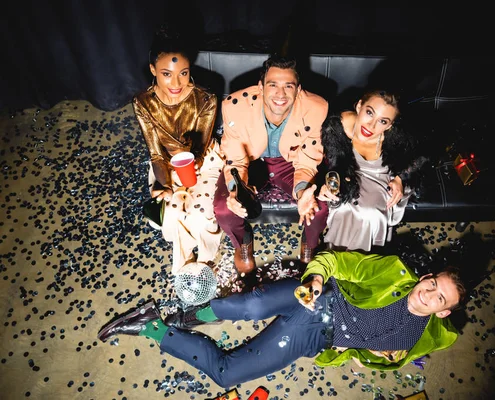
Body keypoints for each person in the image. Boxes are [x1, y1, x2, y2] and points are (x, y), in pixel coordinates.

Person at [97, 250, 467, 388]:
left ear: (444, 311)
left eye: (439, 297)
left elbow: (381, 359)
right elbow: (336, 261)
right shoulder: (393, 272)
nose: (428, 293)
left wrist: (352, 350)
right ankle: (191, 315)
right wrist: (317, 276)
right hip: (318, 295)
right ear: (424, 277)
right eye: (432, 283)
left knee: (227, 375)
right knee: (250, 306)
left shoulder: (423, 337)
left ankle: (151, 324)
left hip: (313, 335)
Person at [213, 55, 329, 274]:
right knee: (224, 209)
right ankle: (243, 244)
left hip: (291, 162)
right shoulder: (234, 106)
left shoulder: (317, 108)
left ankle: (310, 246)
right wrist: (238, 191)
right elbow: (236, 160)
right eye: (273, 85)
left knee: (319, 208)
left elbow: (307, 159)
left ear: (298, 89)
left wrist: (303, 190)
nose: (280, 94)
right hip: (251, 162)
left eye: (289, 86)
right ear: (261, 87)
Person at [132, 25, 224, 275]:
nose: (177, 83)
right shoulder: (143, 103)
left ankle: (206, 262)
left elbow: (202, 148)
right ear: (153, 70)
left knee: (197, 212)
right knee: (172, 210)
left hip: (203, 159)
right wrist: (164, 185)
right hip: (166, 164)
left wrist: (192, 169)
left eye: (183, 73)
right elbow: (155, 152)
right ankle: (183, 270)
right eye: (166, 74)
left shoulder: (205, 98)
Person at [317, 90, 428, 253]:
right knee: (344, 208)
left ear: (390, 125)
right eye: (369, 113)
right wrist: (330, 185)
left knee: (371, 213)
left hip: (383, 177)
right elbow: (336, 166)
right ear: (359, 105)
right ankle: (336, 258)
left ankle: (365, 259)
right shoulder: (338, 125)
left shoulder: (398, 134)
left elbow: (423, 155)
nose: (371, 126)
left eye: (382, 121)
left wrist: (400, 178)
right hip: (351, 175)